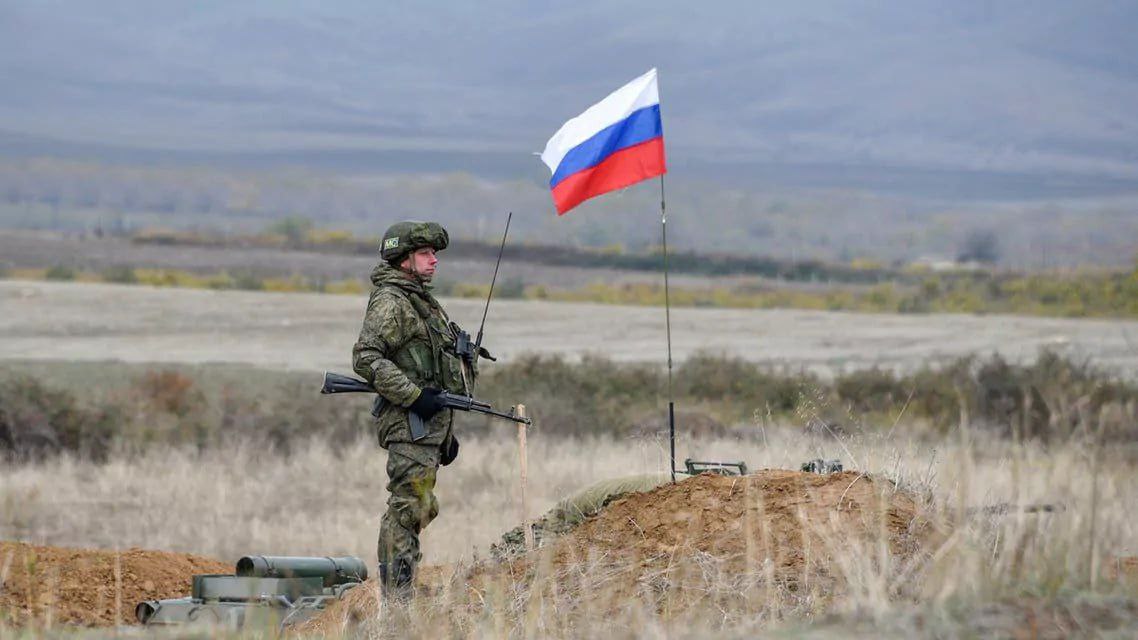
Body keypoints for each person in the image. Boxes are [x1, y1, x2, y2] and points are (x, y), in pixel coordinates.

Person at [352, 220, 475, 599]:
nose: (434, 260)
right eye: (425, 253)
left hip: (426, 427)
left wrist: (445, 434)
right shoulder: (393, 301)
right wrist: (414, 396)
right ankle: (397, 601)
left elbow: (433, 367)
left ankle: (402, 592)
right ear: (403, 259)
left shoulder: (421, 301)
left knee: (419, 508)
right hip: (410, 423)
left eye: (434, 253)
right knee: (408, 508)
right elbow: (367, 358)